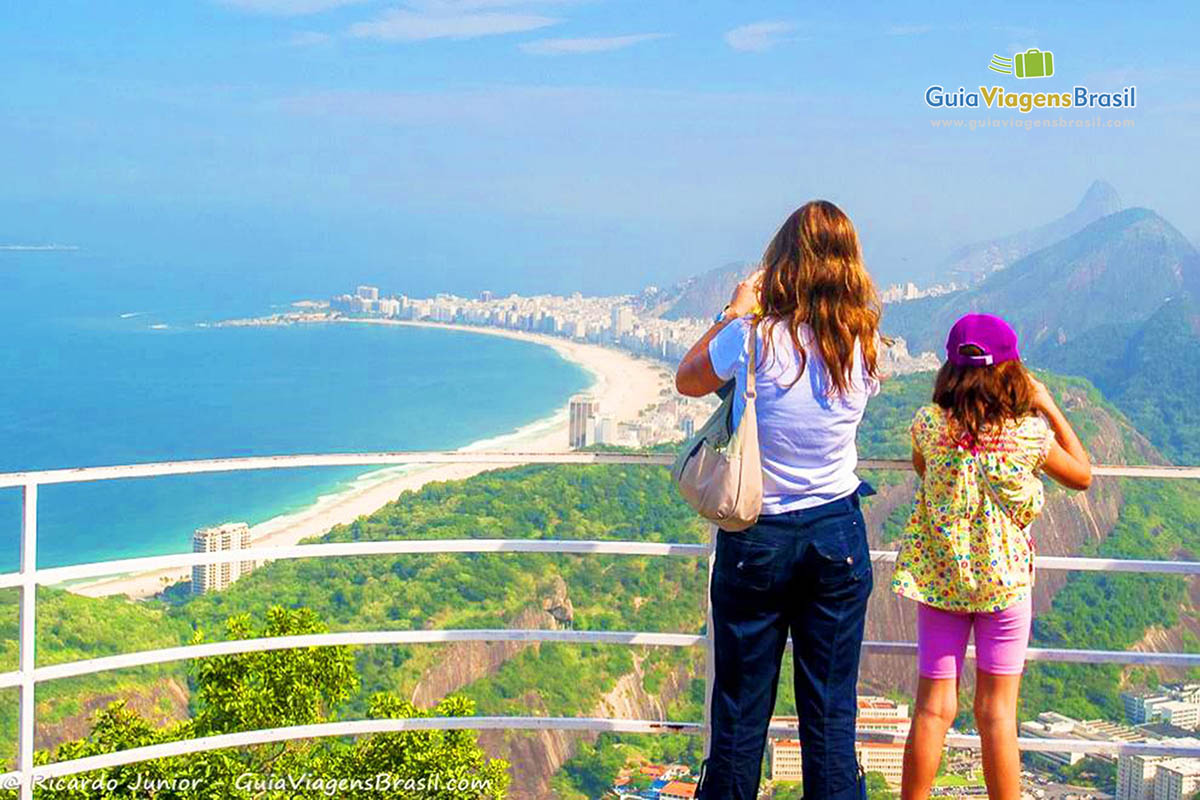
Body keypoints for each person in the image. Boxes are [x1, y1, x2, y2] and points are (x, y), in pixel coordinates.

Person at [676, 200, 882, 800]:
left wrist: (734, 308)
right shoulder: (865, 341)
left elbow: (688, 378)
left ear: (783, 262)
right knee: (830, 718)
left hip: (757, 537)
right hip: (837, 536)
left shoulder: (752, 338)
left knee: (739, 718)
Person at [892, 313, 1092, 800]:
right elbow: (1082, 474)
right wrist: (1048, 405)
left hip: (941, 582)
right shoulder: (1028, 434)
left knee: (933, 709)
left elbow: (924, 470)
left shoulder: (928, 425)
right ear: (1010, 371)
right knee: (997, 714)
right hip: (1003, 588)